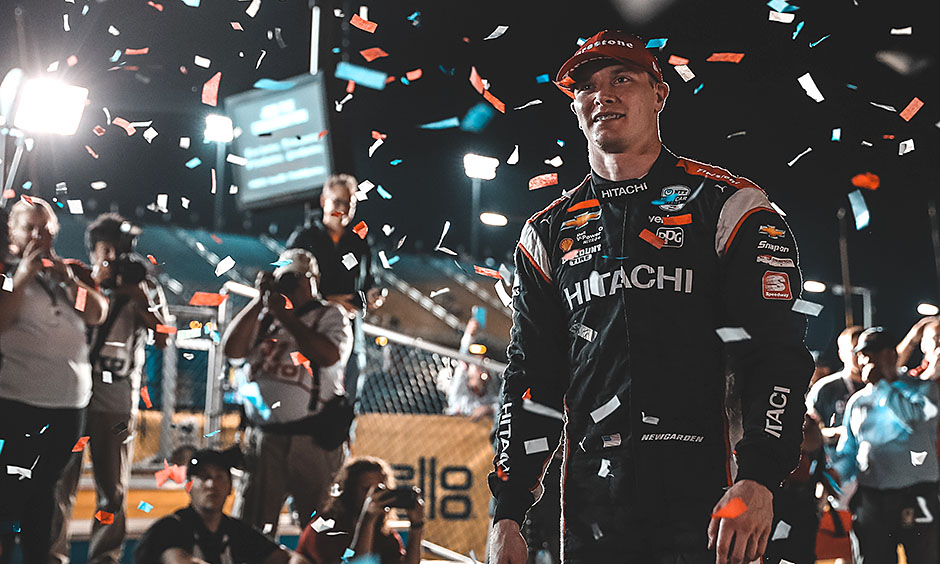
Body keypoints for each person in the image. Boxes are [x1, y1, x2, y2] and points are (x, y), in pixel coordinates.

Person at [487, 30, 814, 564]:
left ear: (659, 93)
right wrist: (507, 510)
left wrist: (759, 476)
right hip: (594, 505)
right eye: (587, 86)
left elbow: (775, 353)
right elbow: (530, 378)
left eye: (622, 78)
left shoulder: (732, 206)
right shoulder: (546, 232)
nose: (603, 95)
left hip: (717, 498)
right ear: (575, 107)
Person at [50, 214, 170, 563]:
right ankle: (52, 554)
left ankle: (105, 557)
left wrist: (137, 296)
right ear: (93, 250)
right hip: (71, 396)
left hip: (116, 401)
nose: (114, 257)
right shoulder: (81, 281)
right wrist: (98, 283)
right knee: (61, 484)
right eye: (107, 249)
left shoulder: (144, 288)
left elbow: (163, 338)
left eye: (120, 250)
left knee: (112, 491)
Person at [0, 197, 108, 564]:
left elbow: (96, 313)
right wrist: (23, 275)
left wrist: (67, 279)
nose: (37, 235)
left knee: (44, 490)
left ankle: (36, 556)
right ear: (12, 231)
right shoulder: (5, 269)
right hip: (18, 401)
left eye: (45, 229)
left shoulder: (68, 272)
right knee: (10, 490)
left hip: (68, 405)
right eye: (29, 227)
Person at [222, 249, 353, 535]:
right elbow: (232, 350)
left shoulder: (330, 315)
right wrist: (260, 301)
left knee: (320, 529)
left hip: (313, 440)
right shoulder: (265, 318)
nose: (291, 286)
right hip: (265, 438)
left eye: (296, 279)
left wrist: (288, 317)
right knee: (252, 529)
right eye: (285, 280)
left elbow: (328, 356)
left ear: (314, 280)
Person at [833, 327, 940, 563]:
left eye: (869, 353)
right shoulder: (857, 402)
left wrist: (882, 385)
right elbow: (849, 451)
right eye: (860, 355)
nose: (862, 361)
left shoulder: (923, 389)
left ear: (890, 355)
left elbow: (915, 417)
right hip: (873, 499)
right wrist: (834, 476)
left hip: (917, 495)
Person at [286, 174, 385, 399]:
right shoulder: (304, 237)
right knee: (306, 395)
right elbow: (288, 282)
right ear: (323, 201)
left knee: (348, 401)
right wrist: (328, 302)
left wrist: (372, 297)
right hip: (311, 332)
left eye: (349, 204)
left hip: (350, 334)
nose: (343, 209)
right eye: (337, 202)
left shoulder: (360, 243)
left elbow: (370, 284)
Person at [134, 448, 310, 564]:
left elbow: (288, 558)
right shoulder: (171, 527)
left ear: (230, 488)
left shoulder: (236, 530)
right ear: (189, 486)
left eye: (219, 477)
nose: (212, 484)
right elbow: (179, 561)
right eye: (204, 477)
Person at [295, 456, 424, 564]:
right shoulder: (322, 525)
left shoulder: (383, 534)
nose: (373, 496)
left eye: (379, 490)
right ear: (350, 492)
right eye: (366, 489)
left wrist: (416, 526)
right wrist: (367, 519)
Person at [806, 326, 865, 444]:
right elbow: (808, 432)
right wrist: (838, 433)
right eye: (854, 351)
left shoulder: (880, 385)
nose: (860, 356)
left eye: (865, 350)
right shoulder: (824, 388)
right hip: (837, 459)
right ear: (841, 354)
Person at [444, 318, 500, 421]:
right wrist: (469, 335)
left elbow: (501, 404)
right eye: (477, 365)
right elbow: (462, 360)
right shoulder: (460, 388)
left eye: (483, 365)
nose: (481, 369)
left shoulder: (490, 389)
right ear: (468, 369)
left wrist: (488, 409)